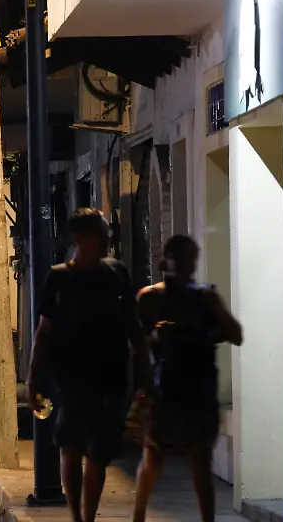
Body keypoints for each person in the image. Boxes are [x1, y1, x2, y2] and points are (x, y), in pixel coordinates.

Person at [26, 208, 152, 522]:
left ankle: (89, 517)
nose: (109, 237)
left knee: (99, 452)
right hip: (71, 376)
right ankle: (77, 517)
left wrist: (145, 366)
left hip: (111, 377)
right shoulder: (59, 278)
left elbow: (132, 324)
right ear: (81, 238)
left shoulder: (116, 272)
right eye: (102, 232)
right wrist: (33, 377)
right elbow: (44, 331)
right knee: (70, 447)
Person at [132, 235, 243, 522]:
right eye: (179, 258)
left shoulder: (205, 298)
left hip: (199, 389)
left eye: (191, 258)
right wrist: (156, 336)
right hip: (165, 389)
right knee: (153, 457)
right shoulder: (151, 298)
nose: (186, 265)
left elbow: (236, 334)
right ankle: (138, 514)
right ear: (164, 262)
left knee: (200, 461)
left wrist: (216, 310)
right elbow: (135, 343)